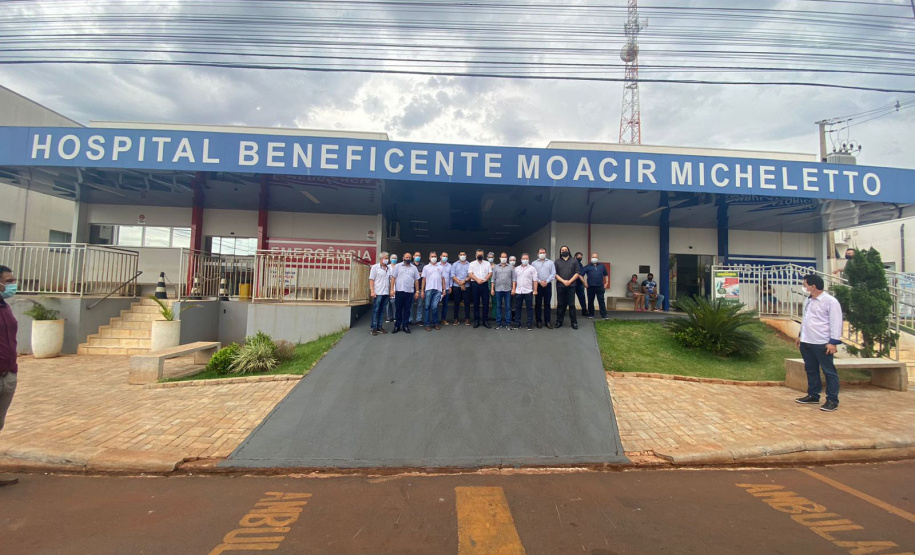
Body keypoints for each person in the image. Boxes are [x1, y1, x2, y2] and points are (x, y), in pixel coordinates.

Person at [795, 274, 843, 412]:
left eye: (805, 285)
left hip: (822, 342)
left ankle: (832, 400)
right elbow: (806, 319)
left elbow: (836, 323)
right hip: (807, 341)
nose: (804, 287)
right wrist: (800, 335)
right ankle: (813, 395)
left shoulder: (830, 302)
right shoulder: (808, 300)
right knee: (811, 369)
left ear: (813, 286)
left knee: (829, 371)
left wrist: (833, 342)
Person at [0, 264, 19, 487]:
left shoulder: (5, 307)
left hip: (6, 376)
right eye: (9, 280)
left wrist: (12, 370)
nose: (13, 284)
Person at [390, 252, 420, 334]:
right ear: (403, 258)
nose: (408, 259)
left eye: (409, 257)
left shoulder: (414, 268)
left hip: (409, 292)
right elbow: (393, 278)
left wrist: (417, 291)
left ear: (411, 259)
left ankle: (405, 325)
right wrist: (392, 290)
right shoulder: (398, 266)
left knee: (407, 309)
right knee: (398, 309)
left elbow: (416, 280)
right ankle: (397, 325)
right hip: (399, 291)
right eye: (406, 257)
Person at [554, 245, 581, 329]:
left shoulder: (574, 261)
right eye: (562, 250)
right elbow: (555, 274)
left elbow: (577, 273)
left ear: (568, 251)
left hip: (571, 285)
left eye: (566, 249)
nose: (564, 251)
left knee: (571, 305)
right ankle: (559, 321)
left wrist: (569, 281)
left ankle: (574, 323)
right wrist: (563, 281)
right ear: (560, 252)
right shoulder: (557, 262)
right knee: (560, 304)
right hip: (560, 286)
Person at [368, 252, 392, 336]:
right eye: (385, 258)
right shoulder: (375, 267)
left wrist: (391, 290)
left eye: (387, 258)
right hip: (378, 292)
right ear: (381, 259)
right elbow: (371, 279)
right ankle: (373, 327)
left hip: (385, 292)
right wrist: (372, 291)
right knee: (376, 310)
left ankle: (379, 326)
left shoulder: (388, 268)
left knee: (382, 310)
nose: (387, 260)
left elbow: (391, 279)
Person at [421, 252, 446, 331]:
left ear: (437, 257)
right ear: (429, 258)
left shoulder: (441, 267)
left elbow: (443, 279)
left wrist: (444, 289)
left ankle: (436, 323)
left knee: (434, 307)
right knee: (427, 307)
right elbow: (423, 279)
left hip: (438, 290)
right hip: (428, 289)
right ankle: (427, 324)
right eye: (432, 256)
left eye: (435, 256)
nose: (433, 258)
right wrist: (422, 290)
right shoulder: (426, 267)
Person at [468, 249, 493, 328]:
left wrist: (484, 279)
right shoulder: (472, 263)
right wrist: (477, 280)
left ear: (483, 255)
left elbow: (490, 273)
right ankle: (476, 320)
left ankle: (485, 321)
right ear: (476, 255)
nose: (480, 256)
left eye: (481, 255)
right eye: (478, 255)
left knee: (485, 303)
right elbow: (470, 274)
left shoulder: (487, 263)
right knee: (476, 303)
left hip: (484, 284)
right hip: (475, 284)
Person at [513, 253, 538, 331]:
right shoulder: (516, 269)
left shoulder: (532, 269)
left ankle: (529, 324)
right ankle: (517, 323)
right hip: (518, 291)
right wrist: (513, 289)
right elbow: (514, 280)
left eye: (526, 258)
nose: (525, 260)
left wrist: (535, 290)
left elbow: (535, 280)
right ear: (521, 260)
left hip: (528, 291)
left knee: (529, 308)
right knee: (518, 308)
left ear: (528, 259)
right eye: (523, 258)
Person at [532, 247, 555, 329]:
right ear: (537, 254)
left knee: (547, 303)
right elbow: (533, 274)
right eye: (540, 252)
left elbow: (553, 273)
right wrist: (539, 281)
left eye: (544, 252)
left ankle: (547, 321)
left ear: (546, 253)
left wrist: (547, 281)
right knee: (538, 303)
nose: (542, 254)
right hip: (538, 285)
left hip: (547, 285)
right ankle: (538, 321)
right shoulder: (534, 263)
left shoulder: (551, 263)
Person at [491, 252, 515, 330]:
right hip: (498, 289)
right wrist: (492, 289)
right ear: (499, 258)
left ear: (507, 258)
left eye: (505, 257)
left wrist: (513, 289)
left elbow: (514, 279)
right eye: (502, 257)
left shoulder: (511, 267)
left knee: (508, 307)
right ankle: (499, 323)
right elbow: (493, 279)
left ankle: (508, 323)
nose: (503, 258)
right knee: (498, 306)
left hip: (508, 289)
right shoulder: (496, 267)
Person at [582, 253, 609, 319]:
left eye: (595, 257)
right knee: (590, 301)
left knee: (601, 301)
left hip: (600, 286)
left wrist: (606, 283)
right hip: (590, 287)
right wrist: (584, 283)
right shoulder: (587, 267)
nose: (594, 258)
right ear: (591, 258)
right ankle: (591, 314)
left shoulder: (602, 266)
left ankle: (604, 315)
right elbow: (580, 275)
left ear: (598, 258)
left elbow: (606, 275)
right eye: (593, 257)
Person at [451, 251, 472, 326]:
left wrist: (464, 282)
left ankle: (467, 318)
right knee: (456, 303)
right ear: (458, 256)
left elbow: (470, 275)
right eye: (461, 255)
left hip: (467, 286)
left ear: (466, 255)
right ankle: (456, 318)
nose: (462, 256)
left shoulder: (469, 264)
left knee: (467, 303)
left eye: (464, 254)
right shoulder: (455, 264)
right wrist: (460, 283)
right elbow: (453, 275)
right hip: (457, 286)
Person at [410, 251, 425, 325]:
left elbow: (424, 276)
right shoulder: (410, 265)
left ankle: (419, 319)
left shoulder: (423, 265)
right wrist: (418, 274)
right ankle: (410, 319)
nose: (417, 257)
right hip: (410, 288)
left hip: (420, 287)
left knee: (420, 304)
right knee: (410, 304)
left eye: (419, 255)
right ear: (413, 256)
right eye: (416, 255)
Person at [438, 252, 453, 326]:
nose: (445, 257)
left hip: (446, 288)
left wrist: (450, 286)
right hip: (437, 288)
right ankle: (436, 320)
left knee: (445, 305)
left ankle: (443, 319)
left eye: (446, 256)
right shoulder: (436, 265)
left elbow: (451, 277)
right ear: (440, 257)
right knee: (435, 305)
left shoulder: (450, 266)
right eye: (444, 256)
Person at [574, 252, 588, 317]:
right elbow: (579, 274)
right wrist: (584, 283)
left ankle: (584, 311)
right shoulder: (573, 264)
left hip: (579, 284)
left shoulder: (580, 264)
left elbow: (582, 274)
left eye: (581, 257)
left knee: (582, 298)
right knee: (569, 298)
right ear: (575, 257)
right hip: (573, 283)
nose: (580, 258)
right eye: (579, 257)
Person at [385, 254, 398, 322]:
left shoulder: (398, 266)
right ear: (390, 259)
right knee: (387, 302)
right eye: (392, 258)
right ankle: (389, 317)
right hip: (387, 285)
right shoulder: (387, 267)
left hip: (396, 286)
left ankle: (395, 316)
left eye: (395, 258)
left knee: (393, 302)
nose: (394, 259)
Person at [508, 255, 517, 323]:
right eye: (511, 260)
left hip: (515, 288)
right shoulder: (507, 268)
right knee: (508, 302)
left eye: (513, 260)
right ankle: (507, 316)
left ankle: (513, 316)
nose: (512, 261)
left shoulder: (517, 269)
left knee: (514, 302)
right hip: (507, 287)